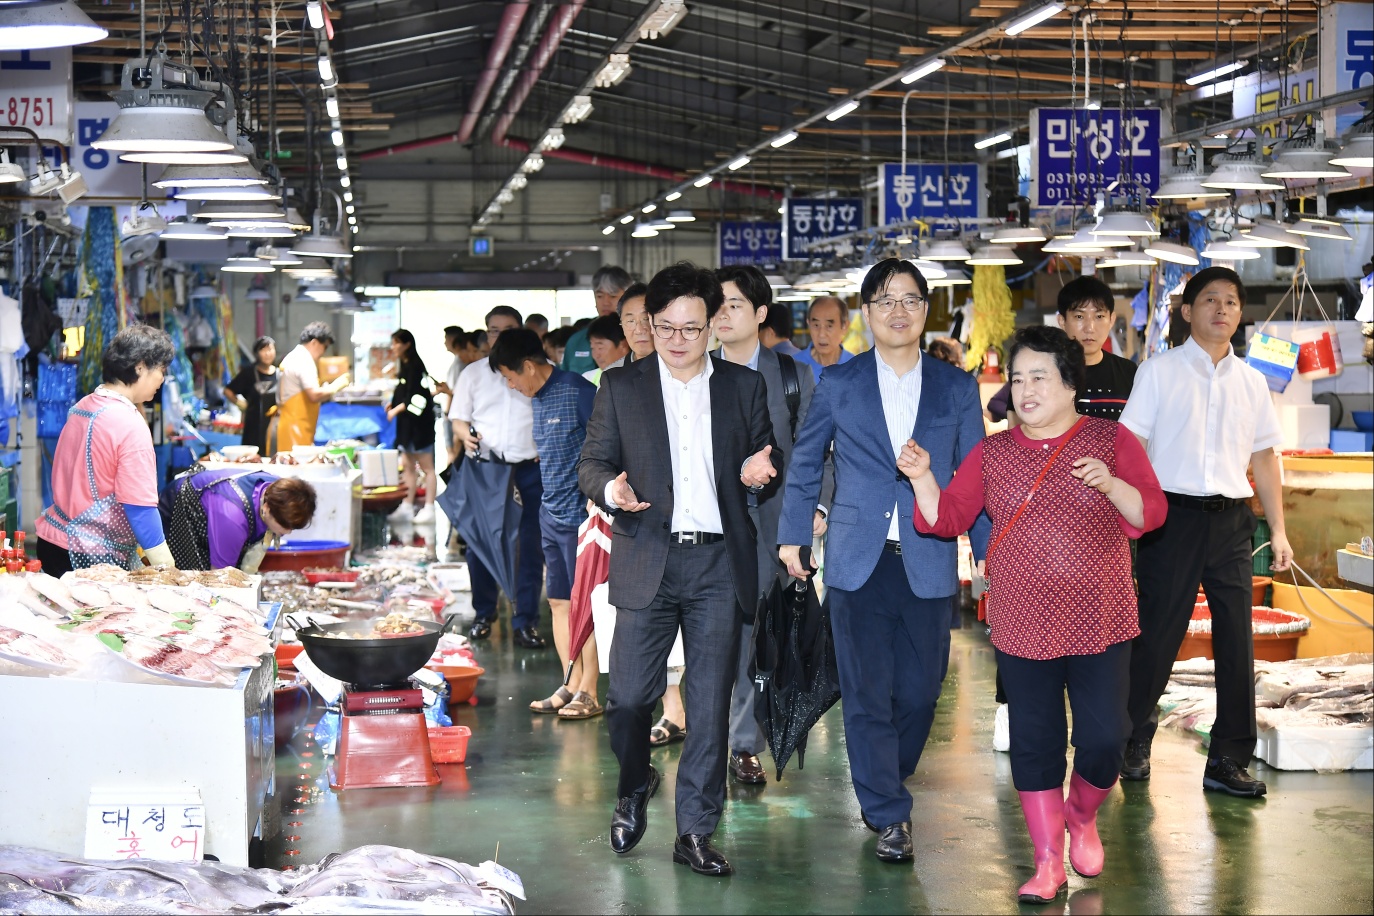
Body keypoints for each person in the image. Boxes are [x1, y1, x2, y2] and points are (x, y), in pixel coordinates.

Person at [901, 326, 1166, 903]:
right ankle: (1048, 863)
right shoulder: (993, 452)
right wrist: (923, 477)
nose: (1024, 390)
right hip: (1022, 618)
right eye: (1017, 379)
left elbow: (1151, 512)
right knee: (1034, 741)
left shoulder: (1111, 440)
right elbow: (947, 518)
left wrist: (1112, 483)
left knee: (1105, 737)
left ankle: (1083, 814)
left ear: (1071, 383)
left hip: (1100, 615)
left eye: (1039, 377)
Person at [778, 258, 988, 864]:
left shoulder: (955, 386)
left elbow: (975, 474)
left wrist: (986, 545)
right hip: (855, 558)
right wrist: (793, 534)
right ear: (865, 314)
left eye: (911, 299)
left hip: (928, 555)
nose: (898, 310)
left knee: (920, 695)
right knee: (867, 693)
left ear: (926, 310)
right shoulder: (839, 383)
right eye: (885, 300)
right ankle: (890, 813)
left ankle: (882, 784)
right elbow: (808, 460)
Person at [578, 261, 780, 877]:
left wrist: (757, 472)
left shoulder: (742, 388)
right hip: (647, 559)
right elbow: (589, 465)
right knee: (631, 701)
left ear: (713, 326)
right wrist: (610, 490)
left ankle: (695, 829)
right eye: (664, 327)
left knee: (709, 702)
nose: (677, 340)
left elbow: (765, 454)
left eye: (691, 328)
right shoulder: (622, 387)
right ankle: (634, 785)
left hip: (719, 562)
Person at [1119, 266, 1293, 798]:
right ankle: (1130, 737)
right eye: (1210, 300)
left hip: (1233, 522)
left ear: (1241, 315)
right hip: (1169, 519)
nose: (1222, 309)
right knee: (1158, 634)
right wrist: (1129, 521)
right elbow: (1133, 450)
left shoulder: (1252, 382)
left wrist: (1279, 530)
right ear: (1188, 311)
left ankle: (1228, 758)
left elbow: (1264, 456)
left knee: (1236, 638)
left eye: (1232, 302)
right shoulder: (1159, 372)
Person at [712, 264, 827, 785]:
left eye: (733, 304)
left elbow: (816, 453)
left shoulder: (791, 376)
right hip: (714, 530)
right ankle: (722, 736)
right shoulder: (692, 371)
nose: (721, 314)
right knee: (720, 636)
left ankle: (742, 742)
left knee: (760, 635)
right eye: (715, 304)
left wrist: (810, 518)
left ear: (760, 314)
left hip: (774, 530)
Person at [490, 329, 603, 719]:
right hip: (550, 514)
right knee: (557, 602)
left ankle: (590, 690)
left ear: (528, 365)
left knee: (582, 606)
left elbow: (606, 443)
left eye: (510, 376)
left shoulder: (576, 390)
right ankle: (570, 682)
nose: (511, 385)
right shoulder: (536, 398)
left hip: (580, 519)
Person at [36, 325, 178, 574]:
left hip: (52, 543)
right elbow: (140, 510)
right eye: (161, 370)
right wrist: (168, 568)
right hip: (89, 557)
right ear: (140, 367)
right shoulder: (130, 424)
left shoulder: (83, 406)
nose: (162, 379)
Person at [448, 306, 548, 650]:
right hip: (486, 469)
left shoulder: (537, 372)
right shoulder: (473, 374)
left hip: (531, 470)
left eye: (507, 330)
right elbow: (457, 417)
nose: (499, 336)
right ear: (486, 333)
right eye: (493, 330)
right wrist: (465, 435)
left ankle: (525, 622)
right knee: (480, 546)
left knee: (530, 548)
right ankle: (483, 613)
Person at [990, 277, 1137, 427]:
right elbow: (1017, 432)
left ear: (1111, 320)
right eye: (1079, 316)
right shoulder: (1037, 375)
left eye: (1099, 316)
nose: (1090, 327)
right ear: (1061, 320)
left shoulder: (1130, 373)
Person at [159, 471, 317, 572]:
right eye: (284, 525)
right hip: (179, 511)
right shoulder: (232, 517)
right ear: (267, 508)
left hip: (221, 517)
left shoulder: (280, 490)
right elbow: (220, 577)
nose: (287, 532)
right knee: (192, 583)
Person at [386, 329, 438, 524]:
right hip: (406, 428)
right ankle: (407, 505)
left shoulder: (416, 366)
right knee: (407, 466)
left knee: (427, 467)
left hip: (419, 427)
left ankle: (429, 508)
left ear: (407, 344)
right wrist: (393, 404)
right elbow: (402, 392)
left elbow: (415, 397)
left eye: (396, 343)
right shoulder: (404, 365)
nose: (393, 347)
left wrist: (396, 410)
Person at [273, 322, 349, 454]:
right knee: (295, 471)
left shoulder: (294, 356)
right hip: (295, 429)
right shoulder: (303, 360)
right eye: (324, 347)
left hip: (291, 425)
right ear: (314, 342)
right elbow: (314, 395)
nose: (323, 352)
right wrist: (335, 386)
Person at [562, 266, 631, 374]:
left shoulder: (636, 337)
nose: (605, 302)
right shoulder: (577, 341)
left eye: (613, 296)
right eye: (599, 296)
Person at [224, 336, 278, 456]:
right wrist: (240, 404)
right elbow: (228, 391)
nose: (268, 353)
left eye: (270, 349)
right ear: (257, 353)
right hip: (253, 428)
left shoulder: (280, 374)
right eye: (263, 350)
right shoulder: (248, 373)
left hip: (274, 428)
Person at [794, 295, 854, 383]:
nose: (821, 334)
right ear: (808, 324)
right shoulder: (794, 366)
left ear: (845, 326)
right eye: (816, 325)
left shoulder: (855, 367)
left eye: (829, 326)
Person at [583, 314, 629, 386]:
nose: (596, 355)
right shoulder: (588, 379)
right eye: (592, 348)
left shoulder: (644, 377)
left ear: (623, 345)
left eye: (600, 348)